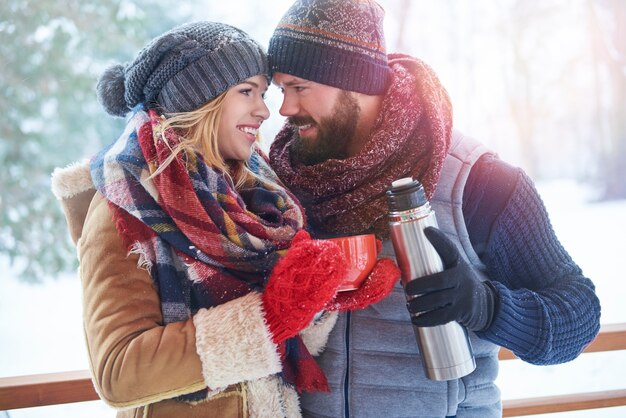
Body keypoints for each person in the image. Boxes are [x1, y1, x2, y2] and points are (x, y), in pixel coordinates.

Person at [266, 1, 602, 417]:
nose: (285, 108)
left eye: (300, 87)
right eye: (281, 89)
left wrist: (486, 306)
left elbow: (578, 318)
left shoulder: (478, 181)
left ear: (353, 82)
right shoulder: (281, 182)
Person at [51, 21, 399, 417]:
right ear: (198, 99)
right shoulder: (125, 204)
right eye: (247, 91)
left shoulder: (255, 195)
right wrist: (267, 318)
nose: (265, 110)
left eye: (263, 93)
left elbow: (278, 343)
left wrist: (326, 297)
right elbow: (118, 372)